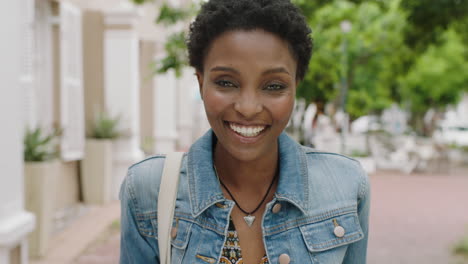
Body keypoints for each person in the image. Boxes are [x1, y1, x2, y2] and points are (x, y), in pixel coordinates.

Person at [119, 0, 370, 263]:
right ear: (201, 82)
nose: (248, 108)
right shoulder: (149, 190)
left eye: (273, 86)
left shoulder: (345, 187)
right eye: (226, 82)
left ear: (296, 86)